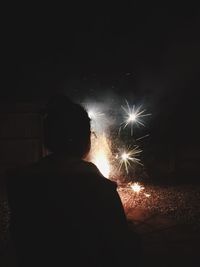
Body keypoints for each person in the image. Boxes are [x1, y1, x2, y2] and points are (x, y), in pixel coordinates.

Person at [6, 95, 141, 267]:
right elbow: (120, 246)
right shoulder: (99, 187)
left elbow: (19, 238)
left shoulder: (22, 183)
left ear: (48, 138)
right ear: (85, 141)